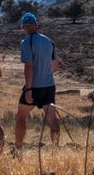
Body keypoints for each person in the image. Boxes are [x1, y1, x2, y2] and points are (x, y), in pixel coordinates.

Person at [13, 12, 60, 151]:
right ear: (36, 25)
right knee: (52, 118)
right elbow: (56, 63)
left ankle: (18, 148)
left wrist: (28, 89)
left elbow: (28, 66)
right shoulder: (49, 41)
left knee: (21, 117)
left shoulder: (27, 42)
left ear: (23, 27)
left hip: (34, 87)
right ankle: (55, 150)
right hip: (49, 85)